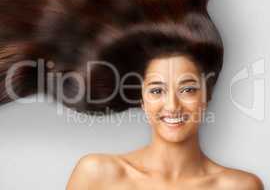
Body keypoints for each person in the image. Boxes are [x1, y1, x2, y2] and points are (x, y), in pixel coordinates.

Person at [66, 54, 264, 189]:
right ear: (142, 101)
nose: (172, 106)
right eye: (156, 91)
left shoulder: (240, 186)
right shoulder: (98, 174)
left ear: (207, 95)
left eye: (188, 89)